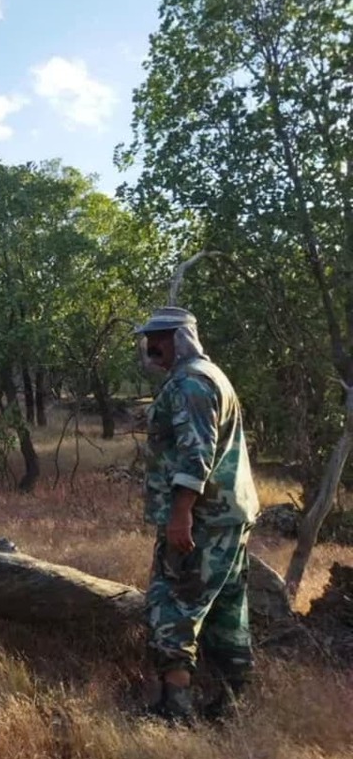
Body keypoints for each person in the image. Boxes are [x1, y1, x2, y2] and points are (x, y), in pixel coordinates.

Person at [136, 306, 260, 724]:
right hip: (229, 515)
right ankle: (231, 705)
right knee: (227, 609)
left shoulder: (190, 382)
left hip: (202, 520)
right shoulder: (211, 376)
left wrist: (180, 514)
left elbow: (196, 452)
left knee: (172, 605)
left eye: (157, 339)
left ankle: (175, 709)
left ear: (178, 338)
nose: (150, 347)